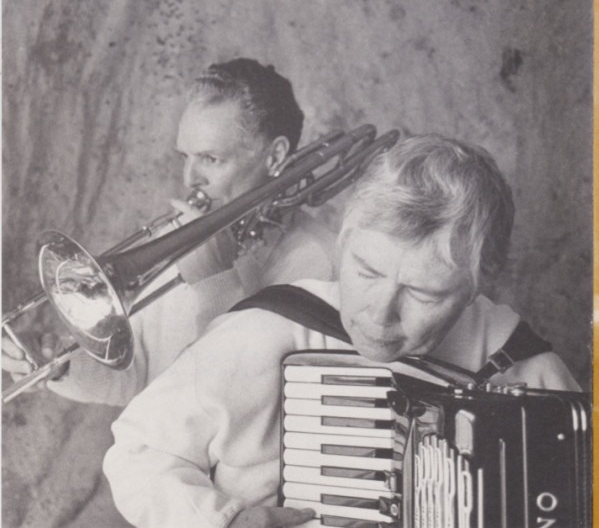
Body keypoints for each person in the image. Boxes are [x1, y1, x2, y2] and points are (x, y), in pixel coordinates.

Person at [103, 134, 580, 528]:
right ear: (345, 240)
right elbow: (139, 450)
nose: (380, 313)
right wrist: (223, 521)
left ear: (477, 287)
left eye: (423, 294)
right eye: (367, 272)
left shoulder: (530, 373)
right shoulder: (268, 332)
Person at [2, 58, 336, 405]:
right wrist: (59, 364)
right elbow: (141, 372)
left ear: (275, 156)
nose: (190, 179)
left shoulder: (318, 264)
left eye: (211, 159)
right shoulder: (180, 236)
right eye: (185, 158)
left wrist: (216, 283)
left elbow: (252, 405)